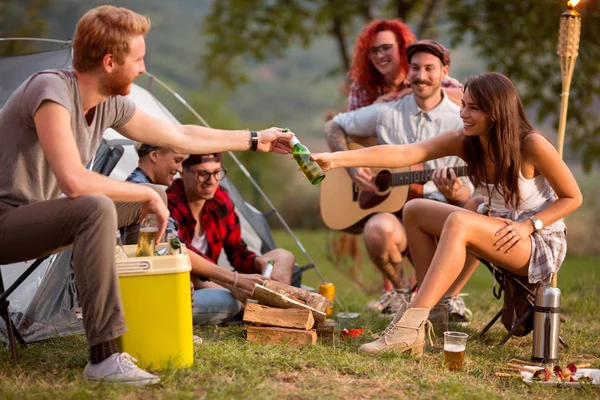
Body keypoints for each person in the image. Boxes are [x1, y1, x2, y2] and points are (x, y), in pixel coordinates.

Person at [0, 5, 294, 385]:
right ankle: (104, 356)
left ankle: (148, 327)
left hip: (41, 218)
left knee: (140, 199)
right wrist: (144, 194)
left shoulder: (109, 103)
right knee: (97, 206)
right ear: (109, 61)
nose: (142, 68)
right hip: (7, 221)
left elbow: (180, 136)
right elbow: (73, 181)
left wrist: (256, 140)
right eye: (138, 59)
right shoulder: (51, 90)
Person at [313, 72, 582, 356]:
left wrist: (528, 226)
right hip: (497, 228)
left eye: (473, 108)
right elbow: (404, 154)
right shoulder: (466, 141)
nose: (463, 114)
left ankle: (408, 326)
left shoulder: (532, 144)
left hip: (536, 241)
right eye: (463, 105)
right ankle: (435, 313)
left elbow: (573, 197)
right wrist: (336, 159)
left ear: (497, 112)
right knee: (415, 210)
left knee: (459, 219)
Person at [326, 40, 476, 323]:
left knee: (479, 214)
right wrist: (351, 170)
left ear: (445, 72)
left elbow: (472, 183)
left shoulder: (460, 121)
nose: (421, 76)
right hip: (394, 213)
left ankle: (449, 297)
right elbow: (333, 125)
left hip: (438, 210)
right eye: (415, 68)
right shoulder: (387, 113)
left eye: (429, 68)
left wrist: (458, 189)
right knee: (376, 230)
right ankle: (402, 293)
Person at [167, 153, 296, 326]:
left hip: (216, 277)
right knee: (230, 299)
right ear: (183, 172)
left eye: (217, 172)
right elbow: (181, 254)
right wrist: (232, 282)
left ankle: (273, 310)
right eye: (202, 173)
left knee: (283, 256)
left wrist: (259, 262)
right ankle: (261, 313)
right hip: (189, 281)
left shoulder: (220, 199)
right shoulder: (169, 203)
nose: (211, 181)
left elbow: (236, 250)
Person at [347, 19, 463, 112]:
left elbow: (467, 96)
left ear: (402, 48)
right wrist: (374, 111)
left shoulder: (422, 76)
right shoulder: (361, 88)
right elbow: (351, 131)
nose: (380, 55)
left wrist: (424, 92)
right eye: (374, 50)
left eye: (386, 48)